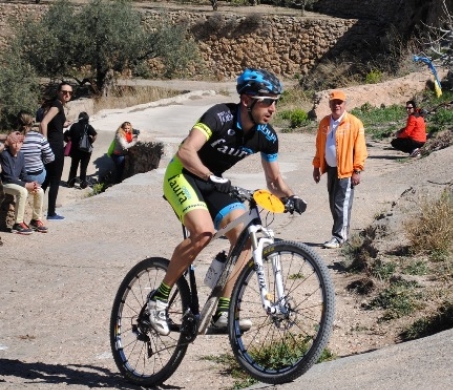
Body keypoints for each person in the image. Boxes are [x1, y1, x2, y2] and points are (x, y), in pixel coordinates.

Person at [147, 67, 307, 335]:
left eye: (275, 102)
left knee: (245, 240)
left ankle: (223, 312)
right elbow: (186, 151)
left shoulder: (266, 136)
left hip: (214, 182)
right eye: (267, 101)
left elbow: (274, 181)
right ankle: (159, 299)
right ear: (247, 100)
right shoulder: (219, 115)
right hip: (183, 175)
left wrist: (292, 197)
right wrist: (210, 176)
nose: (273, 109)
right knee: (203, 233)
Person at [312, 89, 368, 249]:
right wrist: (316, 167)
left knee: (341, 203)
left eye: (339, 102)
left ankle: (339, 237)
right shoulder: (324, 123)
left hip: (346, 170)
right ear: (329, 104)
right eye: (333, 102)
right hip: (330, 169)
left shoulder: (354, 123)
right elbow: (319, 146)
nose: (336, 105)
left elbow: (360, 149)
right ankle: (339, 235)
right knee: (333, 203)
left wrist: (357, 170)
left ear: (344, 104)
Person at [0, 131, 47, 234]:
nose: (17, 145)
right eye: (14, 142)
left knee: (39, 191)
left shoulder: (21, 155)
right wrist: (26, 185)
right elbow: (8, 177)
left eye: (20, 142)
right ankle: (18, 224)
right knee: (23, 191)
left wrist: (33, 183)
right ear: (9, 143)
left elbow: (23, 174)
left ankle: (35, 220)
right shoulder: (5, 155)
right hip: (7, 183)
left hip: (17, 182)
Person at [40, 82, 73, 220]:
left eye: (70, 93)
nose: (67, 94)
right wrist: (45, 143)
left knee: (46, 180)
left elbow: (52, 123)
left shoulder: (57, 105)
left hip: (52, 146)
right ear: (58, 92)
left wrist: (63, 123)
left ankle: (35, 211)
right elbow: (43, 123)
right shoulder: (57, 105)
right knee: (54, 180)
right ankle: (51, 212)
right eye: (64, 91)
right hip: (55, 147)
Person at [16, 111, 54, 186]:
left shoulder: (14, 139)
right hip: (39, 176)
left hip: (22, 176)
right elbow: (50, 157)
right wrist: (41, 162)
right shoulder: (39, 137)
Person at [65, 112, 97, 189]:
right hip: (86, 151)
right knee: (83, 168)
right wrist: (91, 142)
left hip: (75, 150)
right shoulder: (88, 127)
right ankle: (83, 183)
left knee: (74, 167)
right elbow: (95, 135)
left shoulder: (74, 126)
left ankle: (70, 182)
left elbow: (69, 137)